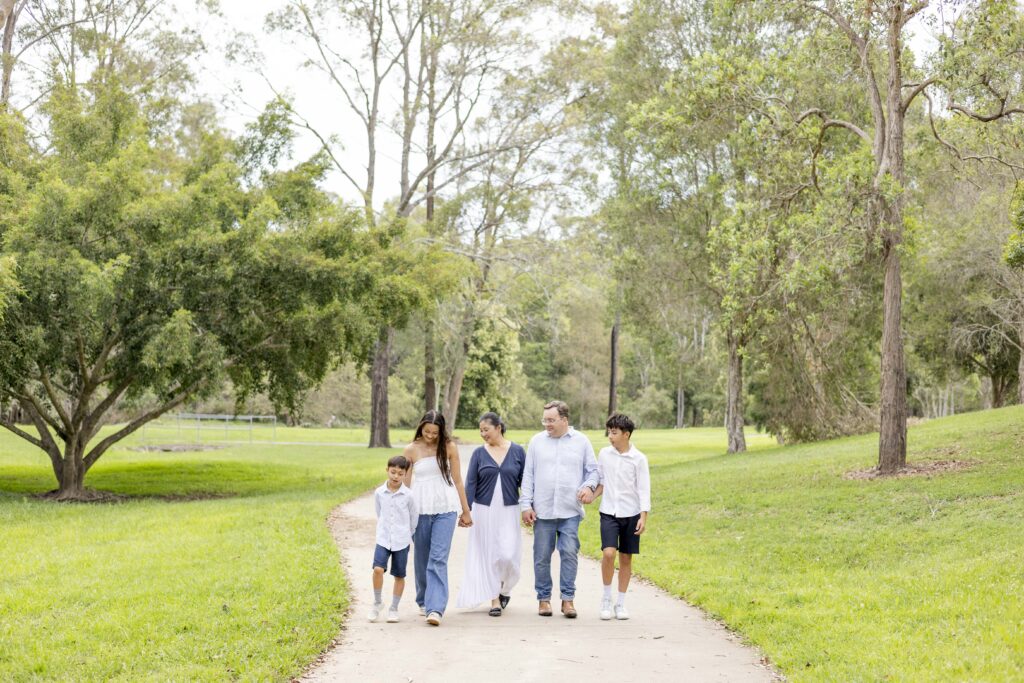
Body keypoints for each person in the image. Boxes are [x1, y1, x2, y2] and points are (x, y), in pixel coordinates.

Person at [520, 400, 599, 618]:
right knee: (542, 557)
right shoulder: (536, 442)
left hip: (570, 510)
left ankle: (568, 600)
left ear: (564, 420)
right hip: (542, 511)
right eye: (544, 419)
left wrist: (588, 487)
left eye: (551, 420)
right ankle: (544, 599)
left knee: (569, 554)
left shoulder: (581, 441)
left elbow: (593, 471)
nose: (547, 424)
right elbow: (528, 475)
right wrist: (525, 504)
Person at [403, 410, 473, 626]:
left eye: (435, 432)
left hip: (446, 508)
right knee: (422, 558)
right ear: (421, 428)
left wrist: (466, 510)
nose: (431, 436)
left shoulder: (449, 447)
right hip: (420, 510)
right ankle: (424, 599)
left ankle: (436, 609)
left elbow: (458, 480)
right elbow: (405, 485)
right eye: (427, 431)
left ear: (442, 431)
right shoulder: (411, 449)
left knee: (438, 558)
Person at [456, 412, 526, 616]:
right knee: (490, 554)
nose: (483, 434)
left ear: (498, 428)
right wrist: (466, 511)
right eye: (480, 431)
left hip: (509, 509)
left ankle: (505, 589)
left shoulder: (518, 452)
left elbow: (526, 482)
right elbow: (470, 483)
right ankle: (494, 598)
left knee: (508, 555)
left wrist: (530, 506)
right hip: (483, 511)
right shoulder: (479, 453)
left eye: (486, 430)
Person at [595, 413, 651, 621]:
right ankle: (606, 599)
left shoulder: (639, 459)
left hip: (631, 514)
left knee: (626, 558)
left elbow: (644, 489)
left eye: (615, 432)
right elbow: (601, 481)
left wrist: (643, 516)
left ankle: (620, 602)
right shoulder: (604, 454)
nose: (610, 436)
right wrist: (591, 495)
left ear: (626, 434)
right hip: (609, 512)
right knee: (609, 553)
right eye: (609, 432)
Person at [370, 455, 418, 623]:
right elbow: (379, 513)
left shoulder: (409, 495)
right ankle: (377, 602)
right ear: (387, 470)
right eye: (393, 472)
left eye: (400, 473)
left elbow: (414, 518)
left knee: (399, 575)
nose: (396, 476)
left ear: (405, 474)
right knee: (377, 569)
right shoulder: (379, 493)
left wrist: (407, 534)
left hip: (401, 540)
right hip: (383, 538)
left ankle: (394, 608)